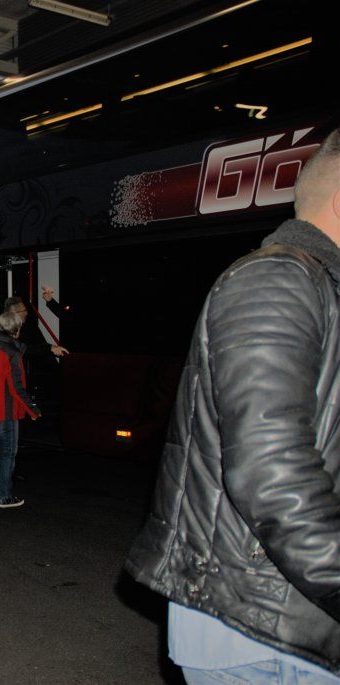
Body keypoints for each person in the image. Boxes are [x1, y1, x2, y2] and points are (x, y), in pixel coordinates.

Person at [125, 128, 340, 683]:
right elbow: (271, 476)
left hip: (288, 617)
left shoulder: (315, 289)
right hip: (261, 631)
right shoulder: (279, 280)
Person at [0, 310, 40, 509]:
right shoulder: (12, 353)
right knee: (8, 453)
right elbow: (16, 387)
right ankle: (5, 497)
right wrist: (33, 409)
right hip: (7, 410)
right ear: (16, 330)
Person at [4, 295, 68, 358]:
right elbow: (23, 350)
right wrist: (49, 349)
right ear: (14, 313)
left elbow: (40, 344)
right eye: (23, 311)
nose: (26, 313)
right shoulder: (4, 330)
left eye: (26, 310)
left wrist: (53, 348)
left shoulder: (28, 326)